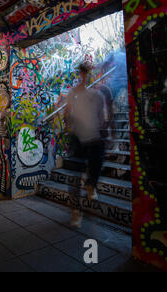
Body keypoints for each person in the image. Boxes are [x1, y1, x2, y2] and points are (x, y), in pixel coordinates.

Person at [65, 63, 108, 228]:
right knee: (75, 176)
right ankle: (76, 212)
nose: (84, 76)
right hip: (78, 138)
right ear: (80, 74)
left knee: (97, 161)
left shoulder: (97, 95)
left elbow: (102, 116)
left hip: (94, 138)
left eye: (87, 73)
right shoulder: (73, 93)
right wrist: (70, 125)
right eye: (82, 73)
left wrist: (103, 127)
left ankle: (91, 184)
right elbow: (66, 112)